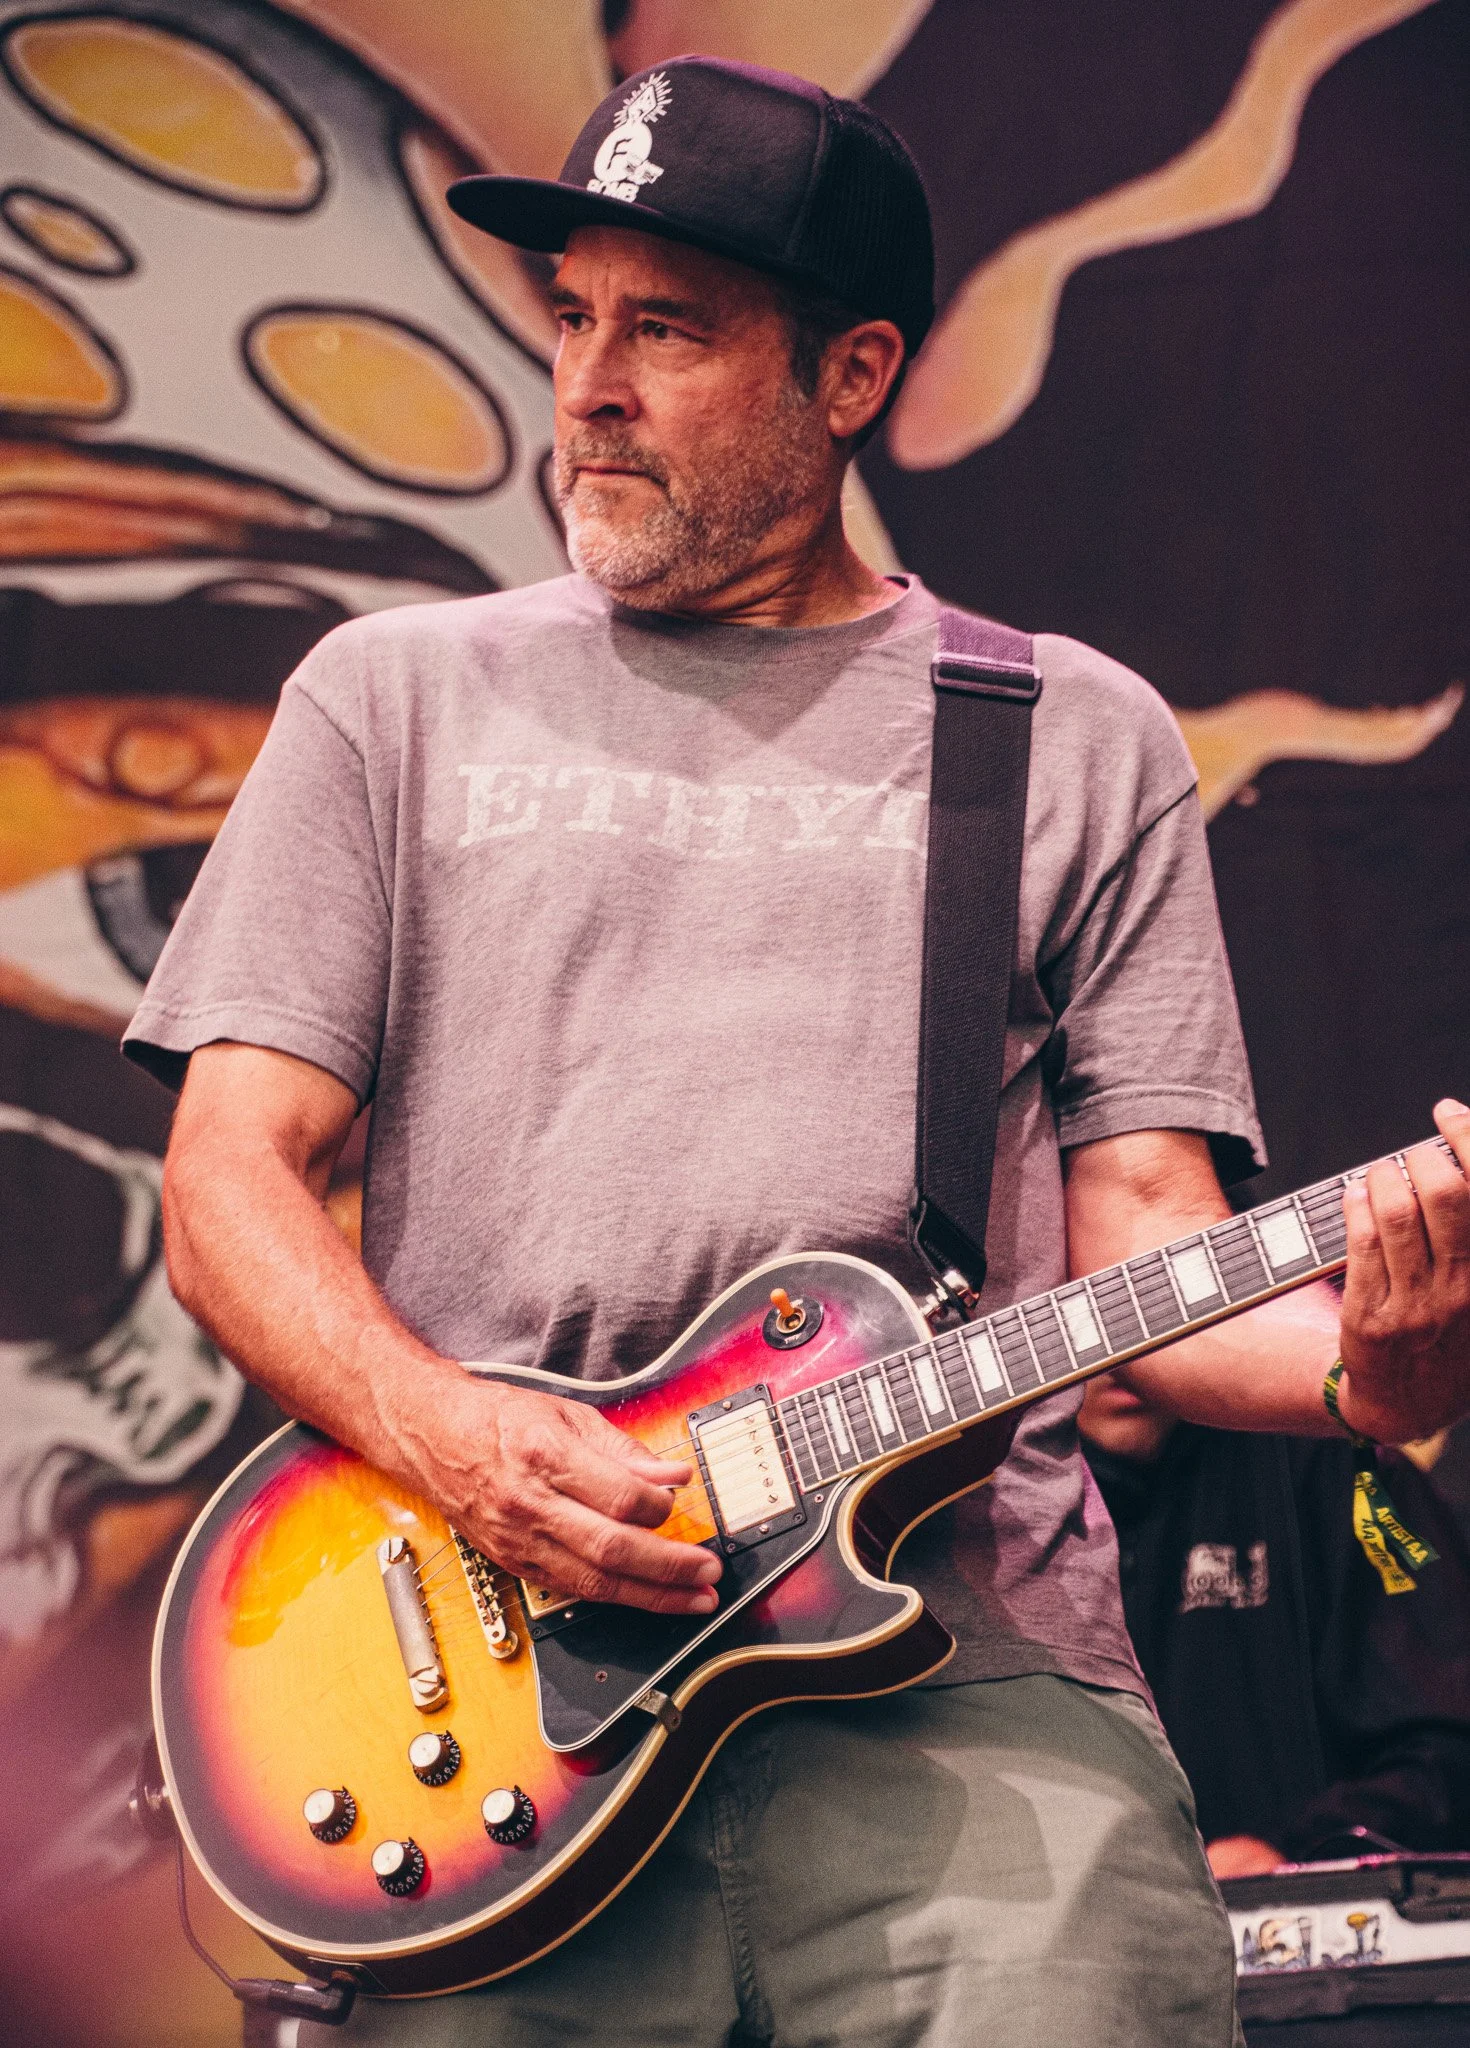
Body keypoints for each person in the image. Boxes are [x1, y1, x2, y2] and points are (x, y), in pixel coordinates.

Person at [124, 56, 1470, 2048]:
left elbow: (1146, 1248)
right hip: (487, 1672)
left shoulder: (1065, 731)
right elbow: (225, 1175)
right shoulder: (388, 697)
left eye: (667, 330)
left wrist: (1380, 1370)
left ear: (851, 376)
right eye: (574, 318)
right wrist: (451, 1437)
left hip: (960, 1671)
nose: (591, 385)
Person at [1079, 1370, 1470, 1878]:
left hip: (1316, 1908)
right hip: (1090, 1917)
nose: (1117, 1356)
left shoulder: (1339, 1471)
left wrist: (1292, 1850)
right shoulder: (998, 1524)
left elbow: (1448, 1744)